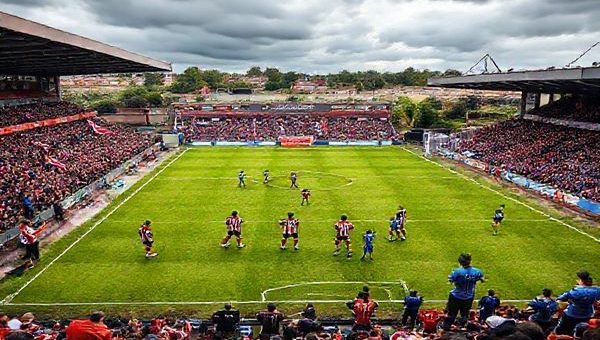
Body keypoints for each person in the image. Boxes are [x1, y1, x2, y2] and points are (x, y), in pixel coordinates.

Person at [442, 252, 485, 331]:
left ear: (460, 262)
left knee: (451, 314)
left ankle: (446, 329)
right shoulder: (478, 271)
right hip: (468, 296)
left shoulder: (457, 272)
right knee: (464, 314)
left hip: (456, 296)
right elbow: (482, 279)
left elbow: (451, 280)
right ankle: (462, 328)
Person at [555, 270, 600, 335]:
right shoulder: (597, 290)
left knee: (562, 328)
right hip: (587, 314)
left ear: (580, 280)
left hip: (572, 314)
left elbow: (560, 298)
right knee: (582, 328)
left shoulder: (575, 291)